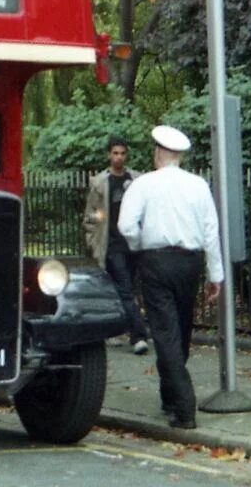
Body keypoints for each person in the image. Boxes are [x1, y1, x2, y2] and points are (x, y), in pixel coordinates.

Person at [117, 125, 224, 430]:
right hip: (189, 263)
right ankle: (169, 395)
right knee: (182, 328)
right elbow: (211, 232)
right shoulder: (198, 185)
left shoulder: (143, 184)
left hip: (155, 261)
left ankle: (184, 406)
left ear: (158, 153)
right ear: (179, 157)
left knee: (165, 333)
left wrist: (140, 246)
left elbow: (126, 226)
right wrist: (215, 274)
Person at [83, 137, 150, 354]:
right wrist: (93, 242)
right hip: (112, 244)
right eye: (115, 153)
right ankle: (138, 335)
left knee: (126, 289)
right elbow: (92, 215)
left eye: (122, 153)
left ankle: (119, 329)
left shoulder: (137, 179)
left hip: (134, 243)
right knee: (125, 289)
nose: (119, 157)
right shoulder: (100, 182)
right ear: (108, 155)